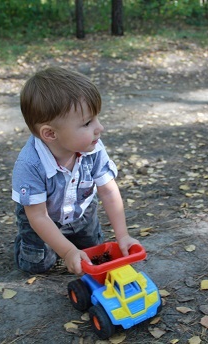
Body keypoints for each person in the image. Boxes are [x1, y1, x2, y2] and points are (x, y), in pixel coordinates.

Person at [12, 66, 139, 275]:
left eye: (96, 118)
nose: (100, 128)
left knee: (93, 252)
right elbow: (39, 216)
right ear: (50, 134)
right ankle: (26, 242)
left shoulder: (94, 146)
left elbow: (108, 191)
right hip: (44, 217)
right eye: (88, 123)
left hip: (81, 212)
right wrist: (68, 251)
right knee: (39, 265)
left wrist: (122, 236)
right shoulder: (30, 165)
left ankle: (68, 240)